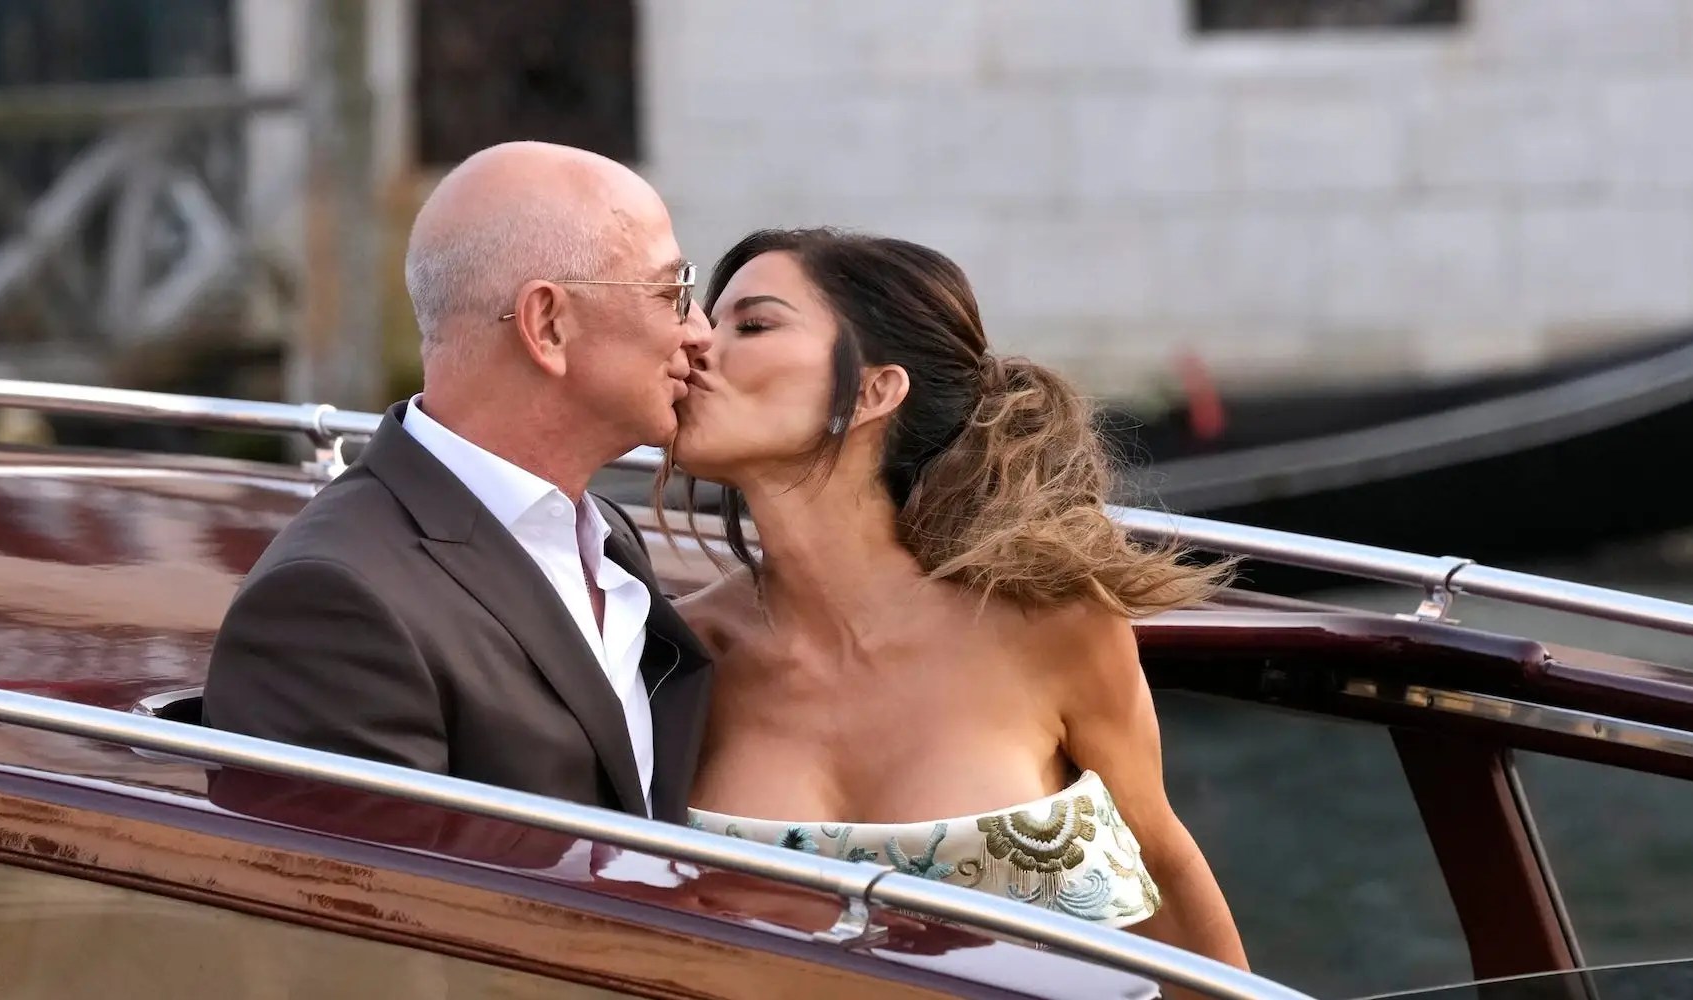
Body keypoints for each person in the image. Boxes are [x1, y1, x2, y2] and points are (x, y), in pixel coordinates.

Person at [668, 228, 1248, 967]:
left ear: (875, 391)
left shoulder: (1050, 622)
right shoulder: (680, 652)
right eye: (706, 318)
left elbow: (1161, 862)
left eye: (751, 326)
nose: (695, 343)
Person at [202, 141, 715, 821]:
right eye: (674, 293)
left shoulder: (602, 536)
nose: (701, 332)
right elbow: (367, 888)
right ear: (548, 325)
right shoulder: (330, 604)